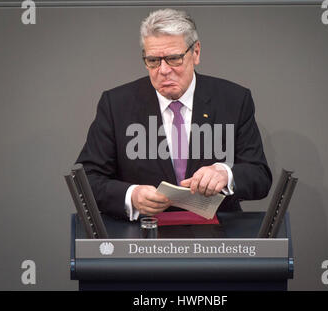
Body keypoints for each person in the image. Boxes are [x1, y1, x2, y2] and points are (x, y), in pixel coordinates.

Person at [76, 8, 272, 220]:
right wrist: (131, 195)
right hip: (142, 236)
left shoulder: (234, 100)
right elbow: (86, 180)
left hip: (216, 235)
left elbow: (259, 176)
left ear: (195, 52)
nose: (163, 70)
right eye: (153, 60)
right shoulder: (116, 104)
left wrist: (227, 175)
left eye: (173, 58)